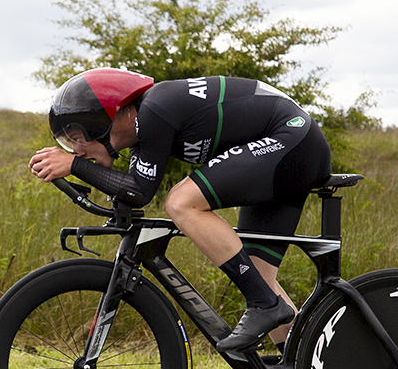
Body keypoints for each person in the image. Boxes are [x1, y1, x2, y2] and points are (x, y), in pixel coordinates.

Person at [29, 68, 332, 352]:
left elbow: (139, 191)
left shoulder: (155, 110)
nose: (76, 149)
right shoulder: (143, 133)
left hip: (292, 139)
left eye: (76, 139)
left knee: (180, 202)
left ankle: (265, 306)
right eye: (69, 145)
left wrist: (75, 166)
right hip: (287, 148)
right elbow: (133, 192)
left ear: (101, 121)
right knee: (259, 274)